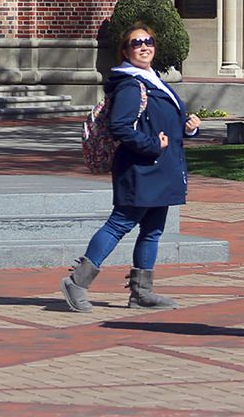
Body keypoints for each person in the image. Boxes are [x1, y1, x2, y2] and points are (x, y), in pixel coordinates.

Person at [61, 23, 200, 312]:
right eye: (136, 43)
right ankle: (77, 282)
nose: (144, 46)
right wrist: (152, 144)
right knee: (119, 224)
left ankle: (141, 292)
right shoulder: (130, 84)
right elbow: (121, 127)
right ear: (125, 51)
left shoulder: (154, 80)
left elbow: (164, 122)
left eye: (148, 41)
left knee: (152, 231)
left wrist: (188, 128)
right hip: (140, 168)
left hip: (162, 167)